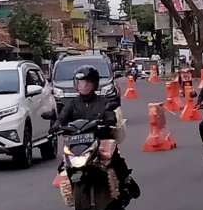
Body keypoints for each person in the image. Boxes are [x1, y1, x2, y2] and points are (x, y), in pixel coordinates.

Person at [53, 65, 139, 199]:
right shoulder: (72, 103)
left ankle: (126, 180)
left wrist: (109, 119)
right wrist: (56, 126)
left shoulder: (103, 102)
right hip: (78, 142)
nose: (84, 86)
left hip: (100, 139)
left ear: (94, 84)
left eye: (87, 82)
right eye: (80, 83)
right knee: (62, 166)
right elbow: (62, 117)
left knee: (114, 160)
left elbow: (110, 114)